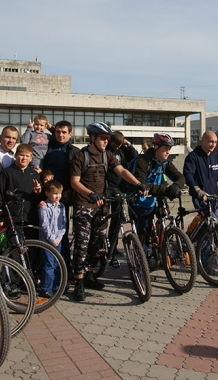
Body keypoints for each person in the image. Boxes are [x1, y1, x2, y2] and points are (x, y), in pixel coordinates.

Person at [70, 122, 148, 302]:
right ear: (93, 138)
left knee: (98, 245)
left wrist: (138, 184)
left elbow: (121, 170)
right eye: (103, 139)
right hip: (84, 205)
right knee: (82, 245)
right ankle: (79, 283)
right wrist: (90, 194)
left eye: (107, 139)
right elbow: (75, 182)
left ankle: (89, 275)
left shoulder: (108, 156)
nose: (106, 142)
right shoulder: (81, 156)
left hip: (102, 205)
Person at [130, 133, 185, 250]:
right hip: (138, 200)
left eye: (169, 149)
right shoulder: (143, 161)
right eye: (165, 148)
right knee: (143, 231)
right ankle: (141, 258)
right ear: (156, 147)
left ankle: (161, 251)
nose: (168, 152)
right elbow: (140, 183)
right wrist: (165, 189)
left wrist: (176, 185)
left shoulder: (165, 162)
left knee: (164, 215)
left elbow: (180, 177)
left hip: (154, 197)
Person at [41, 120, 81, 281]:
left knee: (61, 234)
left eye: (64, 132)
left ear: (70, 134)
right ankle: (51, 271)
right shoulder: (48, 149)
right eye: (58, 132)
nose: (61, 135)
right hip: (48, 197)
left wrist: (70, 191)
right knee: (47, 233)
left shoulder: (74, 152)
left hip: (65, 197)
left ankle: (65, 270)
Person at [183, 130, 218, 218]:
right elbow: (188, 174)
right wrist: (197, 189)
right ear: (203, 140)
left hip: (214, 197)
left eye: (215, 142)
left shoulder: (216, 158)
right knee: (206, 224)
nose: (213, 145)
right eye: (210, 141)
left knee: (214, 225)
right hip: (200, 197)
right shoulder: (193, 157)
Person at [105, 131, 138, 258]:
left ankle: (113, 248)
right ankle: (103, 246)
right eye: (115, 144)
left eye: (119, 145)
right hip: (107, 188)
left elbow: (134, 156)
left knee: (117, 220)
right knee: (103, 220)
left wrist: (127, 144)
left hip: (119, 188)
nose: (117, 147)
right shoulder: (106, 149)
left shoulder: (122, 150)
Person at [0, 143, 43, 227]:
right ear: (16, 155)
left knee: (31, 240)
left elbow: (39, 200)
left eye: (27, 156)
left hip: (30, 218)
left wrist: (38, 192)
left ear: (31, 158)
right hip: (11, 218)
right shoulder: (6, 173)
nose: (24, 158)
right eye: (21, 155)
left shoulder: (35, 174)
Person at [37, 180, 67, 299]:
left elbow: (63, 224)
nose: (57, 196)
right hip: (47, 241)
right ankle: (46, 288)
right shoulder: (44, 207)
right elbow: (44, 226)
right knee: (48, 264)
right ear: (47, 193)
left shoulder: (61, 206)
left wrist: (59, 237)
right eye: (54, 194)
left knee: (56, 263)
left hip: (57, 240)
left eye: (59, 194)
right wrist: (51, 239)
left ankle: (56, 287)